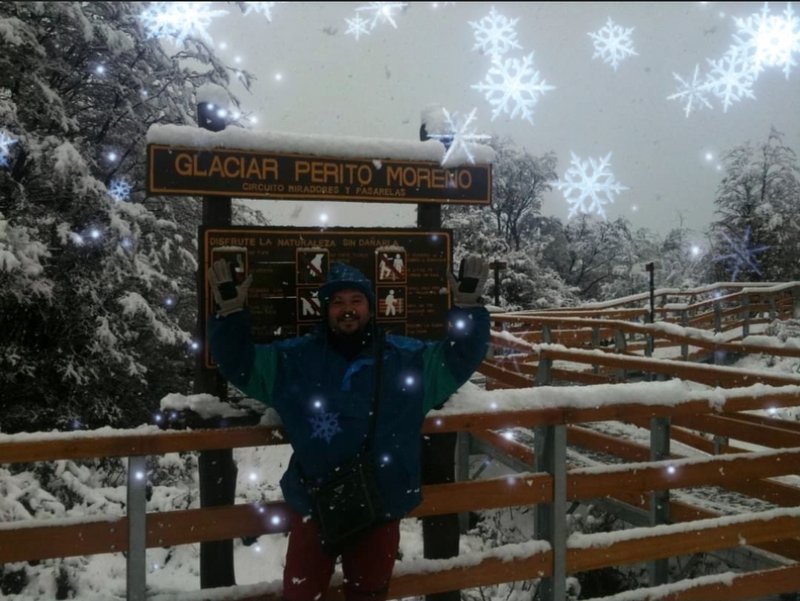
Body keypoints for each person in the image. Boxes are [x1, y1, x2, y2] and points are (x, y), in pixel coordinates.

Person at [207, 255, 490, 601]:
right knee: (301, 594)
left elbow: (460, 358)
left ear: (371, 307)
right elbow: (240, 364)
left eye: (356, 300)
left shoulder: (407, 359)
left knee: (368, 595)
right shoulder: (292, 361)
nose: (347, 309)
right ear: (325, 309)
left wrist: (468, 309)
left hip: (381, 503)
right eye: (338, 302)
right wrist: (230, 314)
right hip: (315, 503)